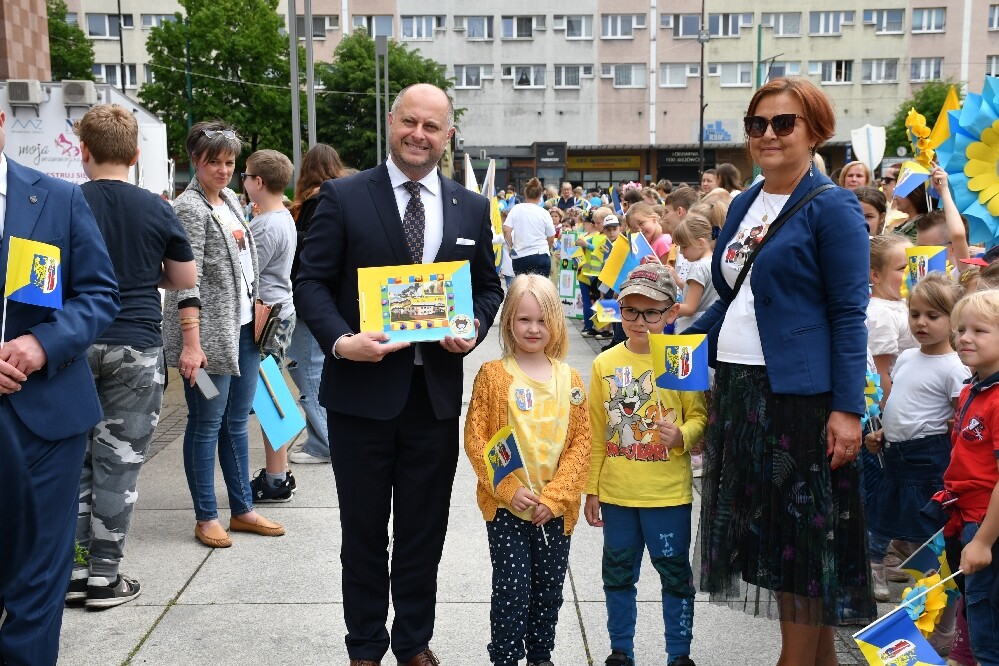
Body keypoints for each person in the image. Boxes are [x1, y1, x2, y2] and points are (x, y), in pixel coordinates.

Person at [294, 83, 504, 666]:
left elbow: (488, 287)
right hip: (360, 396)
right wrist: (341, 341)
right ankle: (364, 645)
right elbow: (309, 282)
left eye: (431, 126)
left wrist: (473, 326)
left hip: (432, 400)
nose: (418, 134)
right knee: (363, 532)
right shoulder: (343, 196)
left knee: (423, 532)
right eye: (410, 122)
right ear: (392, 122)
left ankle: (413, 641)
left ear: (448, 135)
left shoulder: (470, 207)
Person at [689, 77, 875, 664]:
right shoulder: (745, 203)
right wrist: (679, 346)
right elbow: (733, 298)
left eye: (783, 122)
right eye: (757, 124)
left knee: (801, 542)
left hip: (800, 397)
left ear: (815, 131)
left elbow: (849, 315)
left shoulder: (833, 206)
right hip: (740, 388)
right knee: (773, 541)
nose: (768, 134)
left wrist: (847, 409)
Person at [0, 109, 120, 665]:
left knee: (39, 572)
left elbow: (98, 294)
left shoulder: (57, 197)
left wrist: (42, 343)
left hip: (44, 416)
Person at [69, 103, 196, 609]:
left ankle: (74, 570)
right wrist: (144, 277)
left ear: (82, 151)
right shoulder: (157, 208)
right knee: (118, 466)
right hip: (136, 345)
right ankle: (105, 577)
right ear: (136, 155)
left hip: (73, 345)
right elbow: (184, 279)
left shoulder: (65, 202)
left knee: (75, 463)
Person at [163, 121, 285, 550]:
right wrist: (191, 344)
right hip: (208, 343)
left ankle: (242, 508)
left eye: (230, 162)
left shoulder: (231, 199)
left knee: (236, 422)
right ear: (195, 160)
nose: (223, 170)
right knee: (206, 422)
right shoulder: (189, 208)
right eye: (214, 161)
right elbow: (187, 280)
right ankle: (206, 515)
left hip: (244, 332)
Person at [463, 275, 591, 666]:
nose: (533, 328)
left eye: (542, 320)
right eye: (524, 319)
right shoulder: (493, 376)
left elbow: (581, 444)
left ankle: (539, 655)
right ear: (508, 323)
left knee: (549, 590)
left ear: (556, 323)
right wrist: (507, 487)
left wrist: (555, 498)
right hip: (507, 508)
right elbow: (478, 439)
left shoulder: (569, 379)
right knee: (511, 589)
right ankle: (504, 657)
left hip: (553, 511)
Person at [585, 263, 706, 666]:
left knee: (675, 576)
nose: (640, 321)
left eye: (651, 312)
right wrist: (592, 489)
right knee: (618, 574)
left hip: (667, 496)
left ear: (671, 312)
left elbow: (699, 417)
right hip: (618, 494)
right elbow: (597, 433)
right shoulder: (604, 364)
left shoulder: (681, 356)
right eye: (631, 311)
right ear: (619, 310)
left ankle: (679, 654)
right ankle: (621, 650)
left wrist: (682, 436)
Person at [864, 274, 967, 624]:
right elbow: (900, 401)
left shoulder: (954, 367)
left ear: (953, 320)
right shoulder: (907, 356)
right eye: (915, 314)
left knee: (926, 527)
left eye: (933, 316)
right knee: (886, 517)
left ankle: (931, 592)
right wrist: (884, 432)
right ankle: (880, 570)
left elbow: (960, 417)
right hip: (896, 452)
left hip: (928, 457)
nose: (921, 322)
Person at [946, 289, 999, 664]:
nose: (965, 338)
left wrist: (982, 541)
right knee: (976, 612)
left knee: (989, 630)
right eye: (961, 329)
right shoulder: (972, 389)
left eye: (979, 331)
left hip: (988, 525)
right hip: (967, 519)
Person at [286, 144, 346, 465]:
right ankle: (324, 438)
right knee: (317, 366)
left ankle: (324, 443)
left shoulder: (314, 202)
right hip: (333, 300)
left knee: (307, 367)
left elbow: (304, 254)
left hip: (309, 300)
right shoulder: (343, 197)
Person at [244, 149, 299, 502]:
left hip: (267, 317)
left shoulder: (265, 226)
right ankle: (280, 473)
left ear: (258, 182)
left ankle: (276, 478)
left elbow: (247, 273)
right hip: (280, 312)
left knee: (268, 397)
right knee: (272, 391)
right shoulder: (281, 216)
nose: (244, 181)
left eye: (246, 176)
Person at [868, 234, 917, 402]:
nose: (911, 272)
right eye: (903, 268)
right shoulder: (881, 314)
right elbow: (880, 373)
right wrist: (890, 412)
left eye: (914, 264)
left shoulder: (903, 301)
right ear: (876, 276)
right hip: (902, 401)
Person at [671, 211, 720, 333]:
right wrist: (677, 280)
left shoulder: (698, 267)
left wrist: (664, 309)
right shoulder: (715, 261)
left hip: (692, 329)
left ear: (700, 242)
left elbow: (689, 308)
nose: (681, 252)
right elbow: (699, 293)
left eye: (684, 246)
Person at [504, 177, 555, 277]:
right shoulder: (544, 213)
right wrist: (547, 249)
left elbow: (506, 230)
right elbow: (551, 237)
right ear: (540, 195)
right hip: (540, 254)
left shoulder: (516, 209)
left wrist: (512, 246)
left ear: (525, 193)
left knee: (522, 285)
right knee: (540, 286)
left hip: (520, 256)